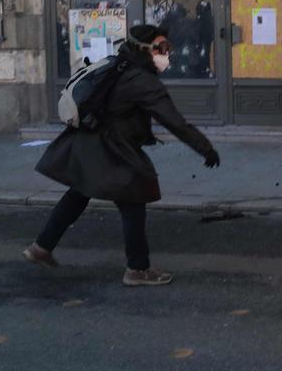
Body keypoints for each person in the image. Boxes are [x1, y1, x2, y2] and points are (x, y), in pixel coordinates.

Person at [26, 24, 221, 286]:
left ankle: (41, 247)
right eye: (162, 48)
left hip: (89, 142)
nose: (167, 54)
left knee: (78, 193)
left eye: (168, 48)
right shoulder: (142, 81)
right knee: (132, 198)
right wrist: (205, 148)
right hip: (111, 148)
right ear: (145, 49)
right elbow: (174, 121)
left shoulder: (119, 65)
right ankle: (137, 269)